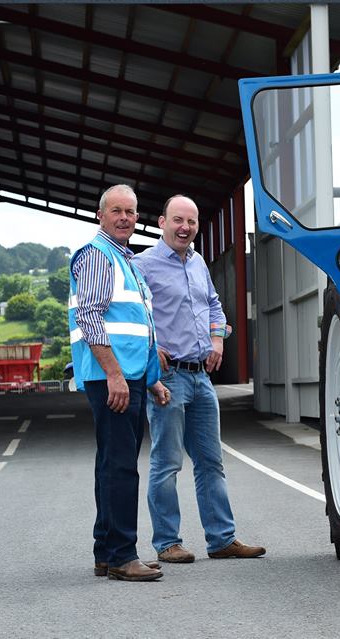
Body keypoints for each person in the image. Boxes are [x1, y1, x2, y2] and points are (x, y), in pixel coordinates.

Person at [133, 194, 265, 564]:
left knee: (211, 461)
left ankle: (222, 539)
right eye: (177, 220)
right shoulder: (142, 265)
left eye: (190, 222)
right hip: (169, 376)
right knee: (167, 461)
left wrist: (218, 338)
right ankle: (167, 543)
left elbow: (214, 305)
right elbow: (131, 311)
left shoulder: (199, 263)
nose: (184, 228)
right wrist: (148, 347)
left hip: (201, 378)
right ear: (161, 222)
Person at [68, 184, 170, 582]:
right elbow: (90, 317)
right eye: (117, 211)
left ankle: (108, 553)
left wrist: (152, 380)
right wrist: (114, 374)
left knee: (111, 464)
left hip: (129, 376)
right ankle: (124, 556)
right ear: (100, 215)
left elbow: (138, 328)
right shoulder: (97, 256)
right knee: (122, 467)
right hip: (112, 377)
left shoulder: (123, 259)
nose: (125, 217)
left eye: (131, 211)